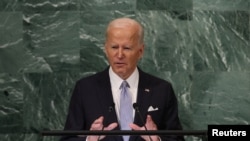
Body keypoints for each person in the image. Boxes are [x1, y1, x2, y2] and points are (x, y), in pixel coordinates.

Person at [60, 17, 185, 141]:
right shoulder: (85, 89)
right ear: (106, 49)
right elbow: (67, 139)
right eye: (114, 47)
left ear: (140, 51)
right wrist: (90, 139)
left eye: (127, 48)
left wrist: (156, 140)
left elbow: (177, 139)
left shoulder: (161, 90)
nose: (119, 55)